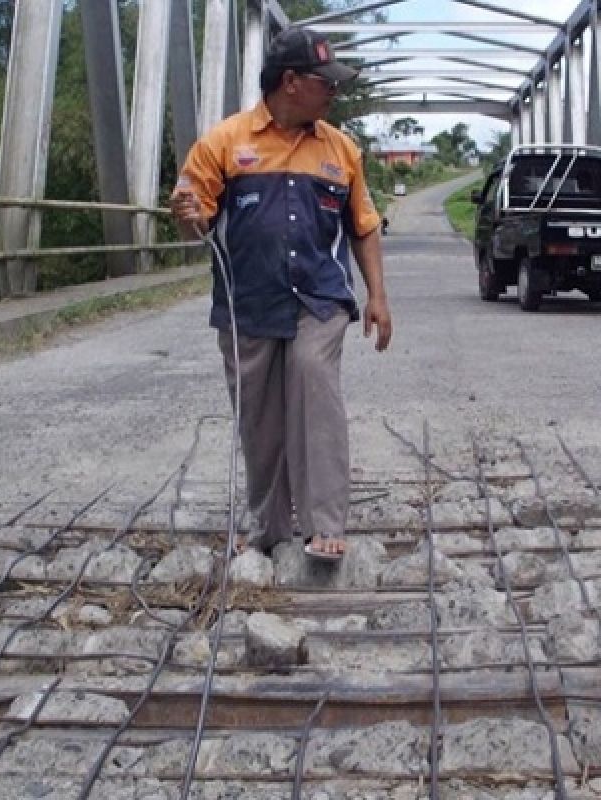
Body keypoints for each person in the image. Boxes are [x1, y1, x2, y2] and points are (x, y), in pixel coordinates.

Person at [170, 26, 392, 561]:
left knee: (315, 383)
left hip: (320, 299)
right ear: (290, 82)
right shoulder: (224, 143)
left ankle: (324, 523)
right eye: (325, 82)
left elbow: (363, 227)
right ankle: (269, 525)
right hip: (248, 302)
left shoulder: (341, 151)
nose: (333, 92)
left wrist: (377, 297)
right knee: (260, 416)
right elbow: (192, 217)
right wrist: (189, 217)